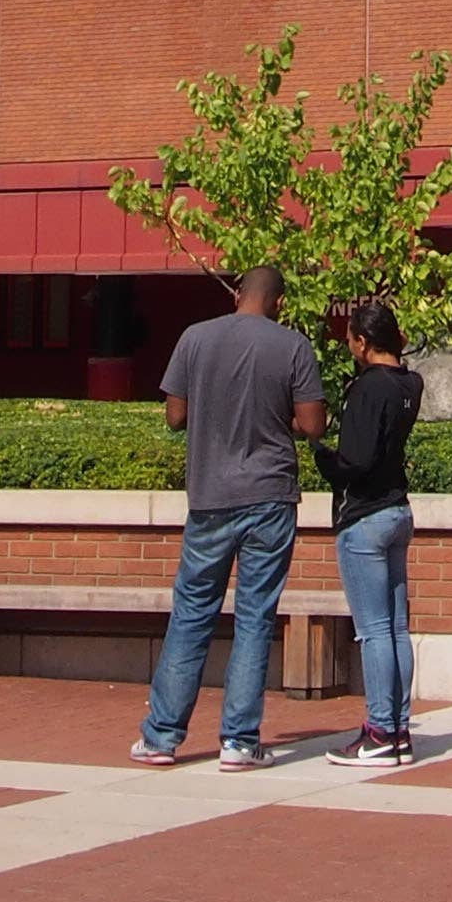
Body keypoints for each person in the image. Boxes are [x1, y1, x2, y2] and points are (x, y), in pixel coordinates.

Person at [134, 266, 321, 770]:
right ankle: (238, 741)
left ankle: (161, 737)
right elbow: (312, 424)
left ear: (238, 294)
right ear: (278, 301)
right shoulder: (293, 346)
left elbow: (174, 416)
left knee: (191, 613)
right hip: (270, 496)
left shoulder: (194, 338)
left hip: (210, 496)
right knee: (255, 618)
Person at [319, 302, 423, 768]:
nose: (349, 347)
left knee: (375, 631)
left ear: (362, 341)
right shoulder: (409, 383)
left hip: (363, 517)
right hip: (398, 511)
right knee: (397, 628)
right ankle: (398, 729)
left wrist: (320, 456)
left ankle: (380, 731)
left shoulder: (368, 388)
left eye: (350, 340)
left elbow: (354, 462)